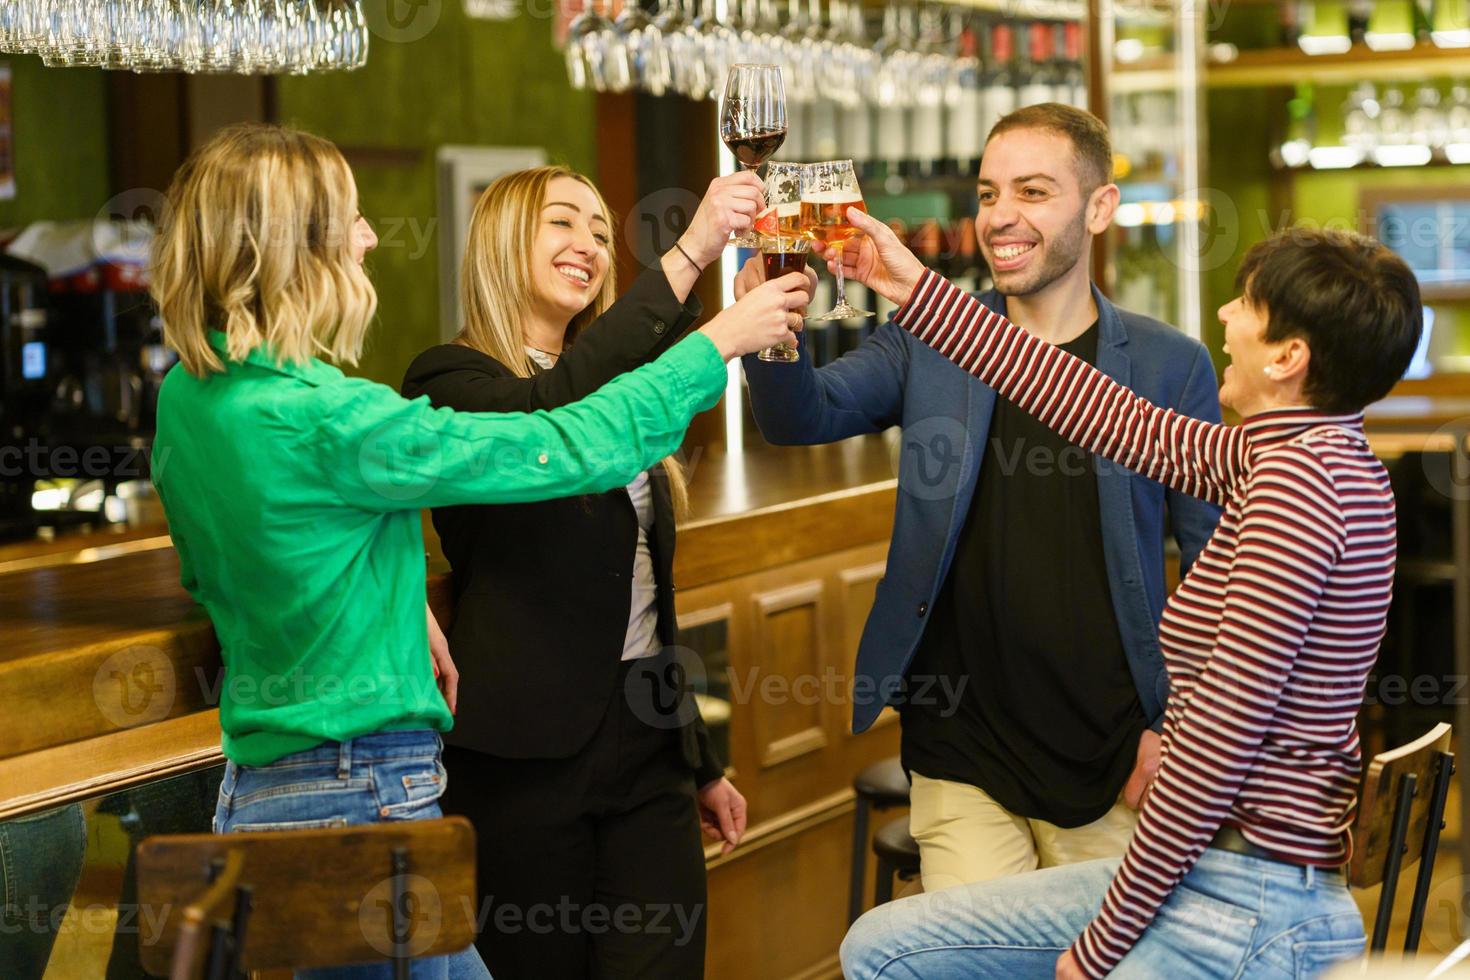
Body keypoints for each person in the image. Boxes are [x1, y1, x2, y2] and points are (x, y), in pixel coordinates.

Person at [148, 123, 808, 979]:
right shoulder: (331, 415)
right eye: (349, 220)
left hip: (264, 786)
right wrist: (715, 342)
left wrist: (396, 600)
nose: (370, 239)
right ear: (290, 246)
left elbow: (218, 566)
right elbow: (565, 444)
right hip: (365, 791)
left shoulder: (188, 400)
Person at [830, 206, 1420, 978]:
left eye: (1248, 306)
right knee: (878, 945)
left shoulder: (1297, 491)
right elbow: (1102, 411)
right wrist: (911, 285)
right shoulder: (1299, 459)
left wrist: (1099, 948)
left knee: (885, 955)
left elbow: (1215, 748)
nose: (1224, 313)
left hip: (1247, 904)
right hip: (1228, 881)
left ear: (1288, 357)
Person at [737, 104, 1221, 892]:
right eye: (989, 193)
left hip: (1113, 747)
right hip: (961, 744)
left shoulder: (1172, 365)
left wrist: (1179, 731)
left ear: (1100, 207)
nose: (1001, 217)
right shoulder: (929, 342)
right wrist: (773, 324)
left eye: (1032, 192)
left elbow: (1215, 568)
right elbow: (801, 417)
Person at [401, 165, 757, 980]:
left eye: (601, 231)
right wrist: (696, 254)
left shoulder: (623, 386)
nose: (589, 246)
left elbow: (648, 602)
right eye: (563, 224)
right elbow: (552, 416)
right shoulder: (449, 382)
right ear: (500, 241)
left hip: (648, 750)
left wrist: (696, 757)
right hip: (524, 764)